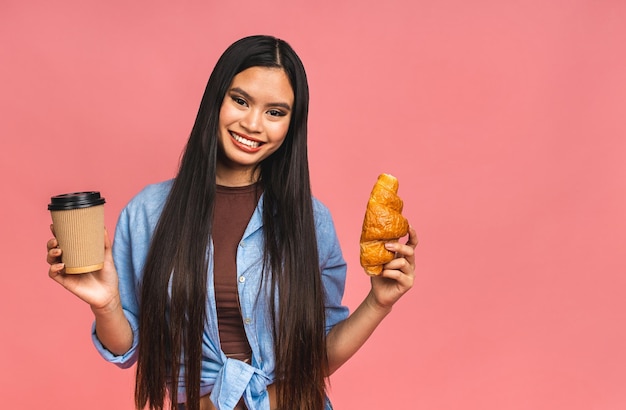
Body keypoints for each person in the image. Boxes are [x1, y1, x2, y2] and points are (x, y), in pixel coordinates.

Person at [46, 35, 418, 410]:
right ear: (216, 99)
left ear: (292, 124)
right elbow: (128, 348)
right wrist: (107, 305)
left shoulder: (311, 219)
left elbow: (316, 358)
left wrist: (378, 303)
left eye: (275, 112)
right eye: (240, 101)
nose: (253, 123)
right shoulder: (148, 212)